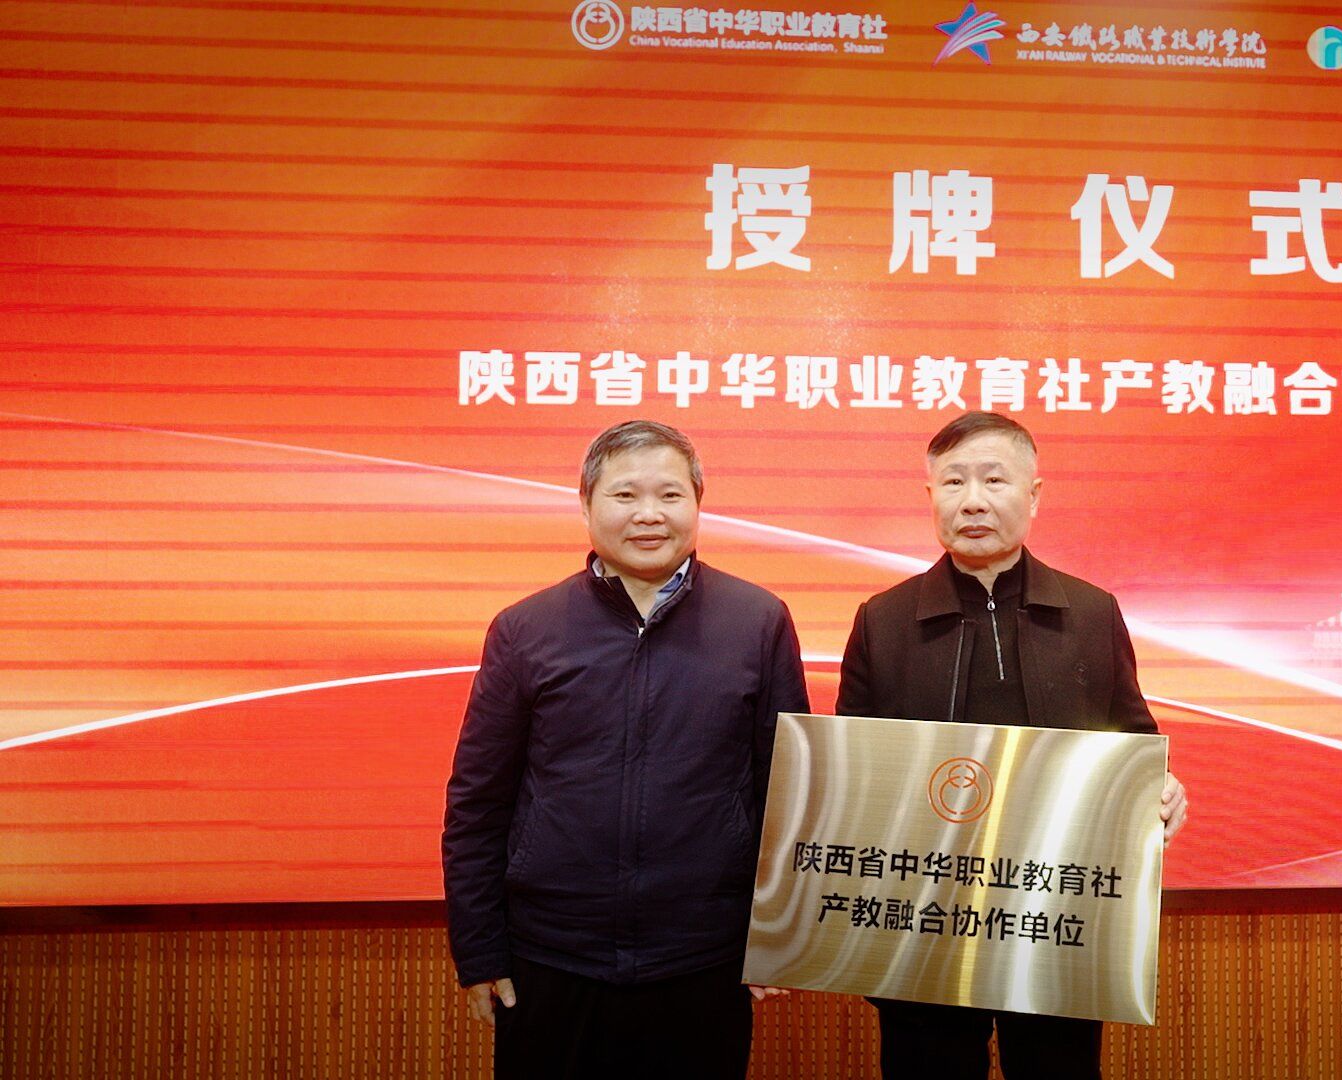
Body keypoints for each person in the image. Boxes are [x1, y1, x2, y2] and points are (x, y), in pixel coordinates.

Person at [442, 420, 807, 1080]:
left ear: (698, 502)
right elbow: (478, 803)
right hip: (551, 957)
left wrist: (776, 941)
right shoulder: (525, 629)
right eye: (625, 495)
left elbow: (786, 793)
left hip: (704, 958)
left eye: (669, 495)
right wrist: (480, 951)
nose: (648, 514)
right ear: (585, 505)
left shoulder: (758, 621)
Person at [836, 410, 1189, 1080]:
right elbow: (852, 775)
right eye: (953, 482)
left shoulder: (1091, 613)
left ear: (1034, 495)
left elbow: (1133, 739)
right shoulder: (883, 620)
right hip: (923, 925)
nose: (972, 500)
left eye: (994, 480)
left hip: (1056, 916)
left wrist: (1158, 787)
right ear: (931, 496)